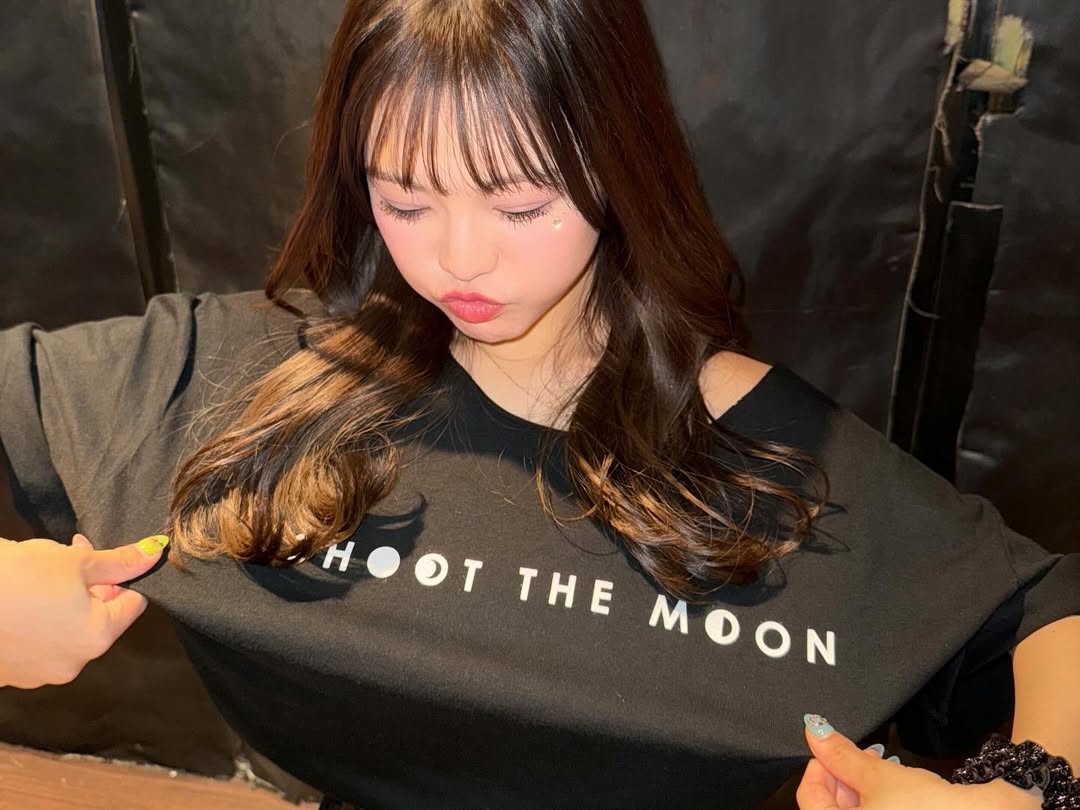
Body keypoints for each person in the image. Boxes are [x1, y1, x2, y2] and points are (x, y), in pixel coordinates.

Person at [0, 0, 1077, 807]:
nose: (459, 258)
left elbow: (1045, 610)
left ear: (618, 167)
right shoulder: (228, 375)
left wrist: (1029, 796)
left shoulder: (782, 456)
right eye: (405, 199)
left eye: (520, 203)